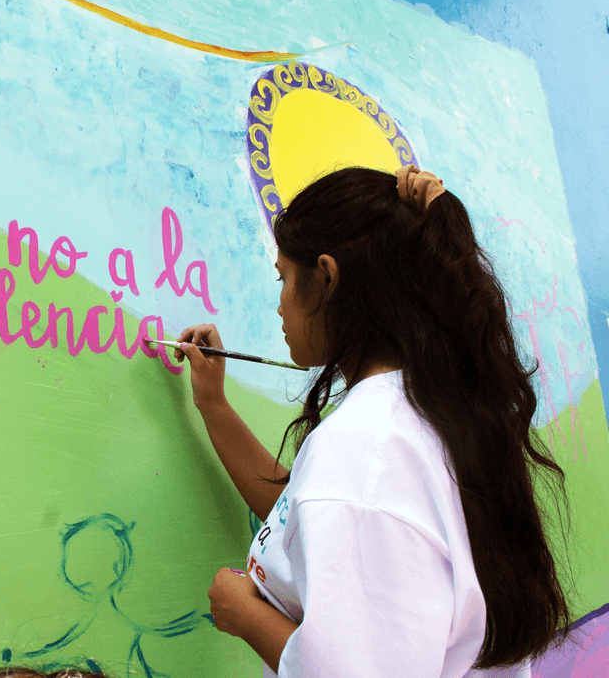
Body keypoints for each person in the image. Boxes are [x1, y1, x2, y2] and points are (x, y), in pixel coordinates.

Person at [173, 165, 572, 677]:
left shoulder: (366, 452)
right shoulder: (431, 414)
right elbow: (307, 518)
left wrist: (246, 614)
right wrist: (214, 405)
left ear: (328, 278)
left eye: (285, 278)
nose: (279, 301)